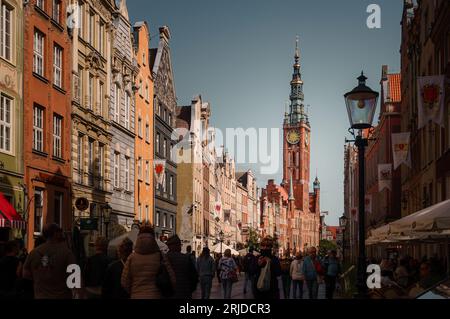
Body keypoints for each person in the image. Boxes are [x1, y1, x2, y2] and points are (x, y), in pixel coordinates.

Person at [22, 223, 77, 299]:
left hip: (40, 296)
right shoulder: (67, 253)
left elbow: (25, 274)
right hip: (62, 295)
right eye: (60, 231)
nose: (62, 233)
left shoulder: (34, 253)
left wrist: (40, 278)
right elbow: (75, 278)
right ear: (55, 233)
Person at [121, 225, 176, 299]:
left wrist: (134, 291)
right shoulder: (161, 256)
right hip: (156, 295)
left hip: (136, 295)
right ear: (153, 237)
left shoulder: (131, 257)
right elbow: (172, 279)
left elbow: (124, 282)